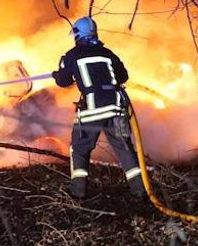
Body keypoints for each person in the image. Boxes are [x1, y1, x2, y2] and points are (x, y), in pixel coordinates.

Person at [51, 16, 146, 199]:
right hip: (116, 108)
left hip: (92, 111)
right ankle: (141, 189)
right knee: (124, 147)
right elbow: (123, 76)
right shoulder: (108, 53)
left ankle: (78, 193)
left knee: (80, 148)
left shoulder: (72, 55)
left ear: (78, 35)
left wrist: (58, 73)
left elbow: (63, 81)